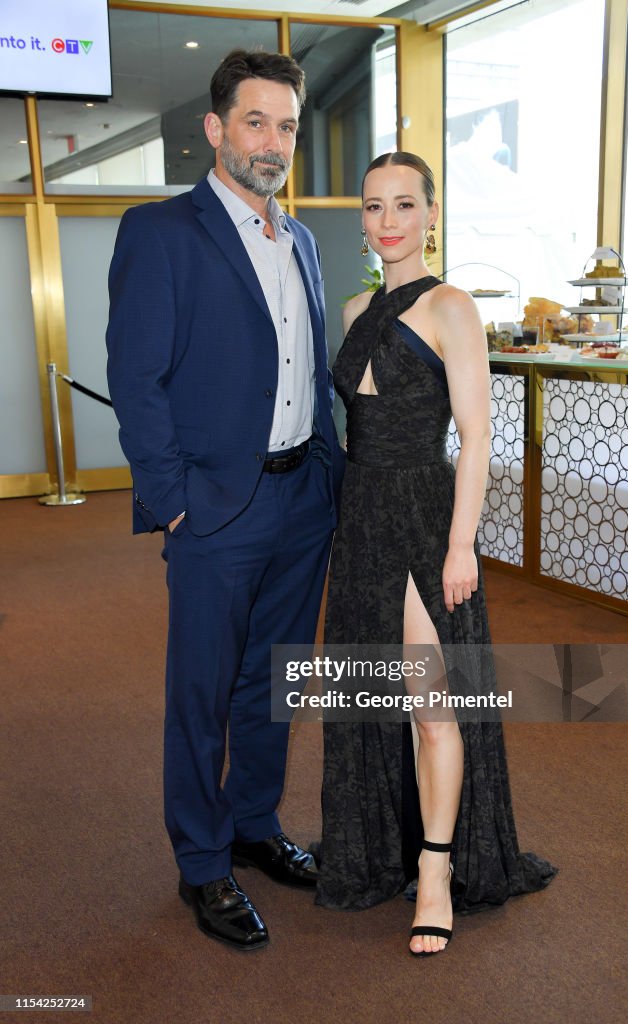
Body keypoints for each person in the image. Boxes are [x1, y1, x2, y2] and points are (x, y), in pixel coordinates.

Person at [106, 48, 344, 952]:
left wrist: (329, 473)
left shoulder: (306, 240)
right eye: (255, 121)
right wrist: (172, 500)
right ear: (215, 129)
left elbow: (306, 372)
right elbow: (136, 375)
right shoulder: (162, 231)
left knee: (274, 683)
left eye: (285, 126)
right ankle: (202, 863)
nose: (272, 141)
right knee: (201, 693)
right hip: (214, 510)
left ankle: (253, 824)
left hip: (301, 505)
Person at [315, 151, 557, 956]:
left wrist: (461, 547)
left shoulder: (453, 307)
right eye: (373, 205)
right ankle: (379, 845)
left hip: (424, 519)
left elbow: (480, 435)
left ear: (430, 215)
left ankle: (433, 872)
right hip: (361, 520)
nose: (387, 221)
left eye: (403, 205)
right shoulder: (353, 311)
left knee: (430, 705)